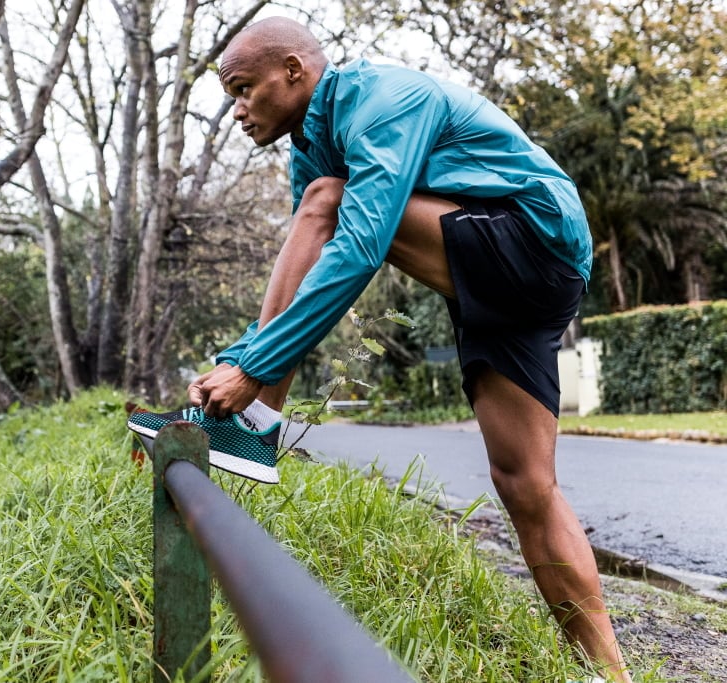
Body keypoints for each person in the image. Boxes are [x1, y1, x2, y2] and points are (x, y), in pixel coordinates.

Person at [128, 16, 631, 682]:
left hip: (533, 240)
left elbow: (359, 245)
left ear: (295, 72)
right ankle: (612, 674)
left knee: (328, 204)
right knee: (525, 485)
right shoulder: (310, 145)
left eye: (245, 89)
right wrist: (241, 354)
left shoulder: (383, 100)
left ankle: (257, 422)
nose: (238, 110)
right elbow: (304, 272)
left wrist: (250, 367)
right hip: (493, 279)